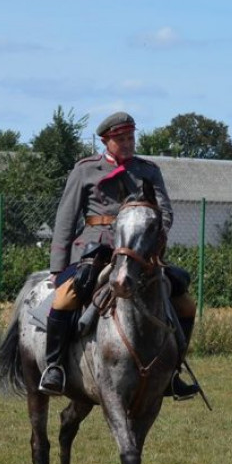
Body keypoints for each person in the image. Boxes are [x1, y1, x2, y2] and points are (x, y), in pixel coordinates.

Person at [39, 111, 200, 399]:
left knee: (186, 305)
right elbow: (65, 219)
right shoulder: (85, 170)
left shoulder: (148, 171)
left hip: (139, 252)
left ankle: (172, 373)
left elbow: (164, 212)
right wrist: (57, 267)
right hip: (95, 249)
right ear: (106, 141)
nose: (127, 144)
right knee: (65, 299)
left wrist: (153, 238)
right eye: (121, 139)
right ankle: (55, 367)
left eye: (130, 138)